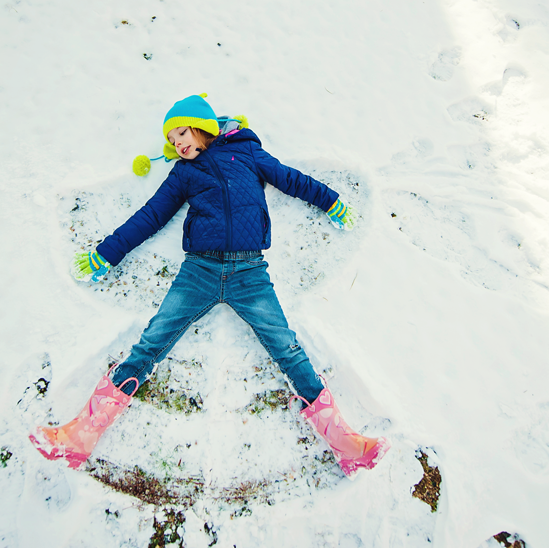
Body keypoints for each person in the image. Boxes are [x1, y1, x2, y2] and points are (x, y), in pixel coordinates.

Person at [29, 94, 389, 477]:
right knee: (152, 342)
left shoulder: (247, 153)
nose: (178, 142)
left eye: (182, 131)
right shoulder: (183, 173)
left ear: (202, 127)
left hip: (249, 273)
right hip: (198, 271)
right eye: (172, 138)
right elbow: (150, 216)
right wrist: (106, 253)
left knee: (287, 347)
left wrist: (329, 200)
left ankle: (345, 444)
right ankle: (80, 436)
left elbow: (290, 179)